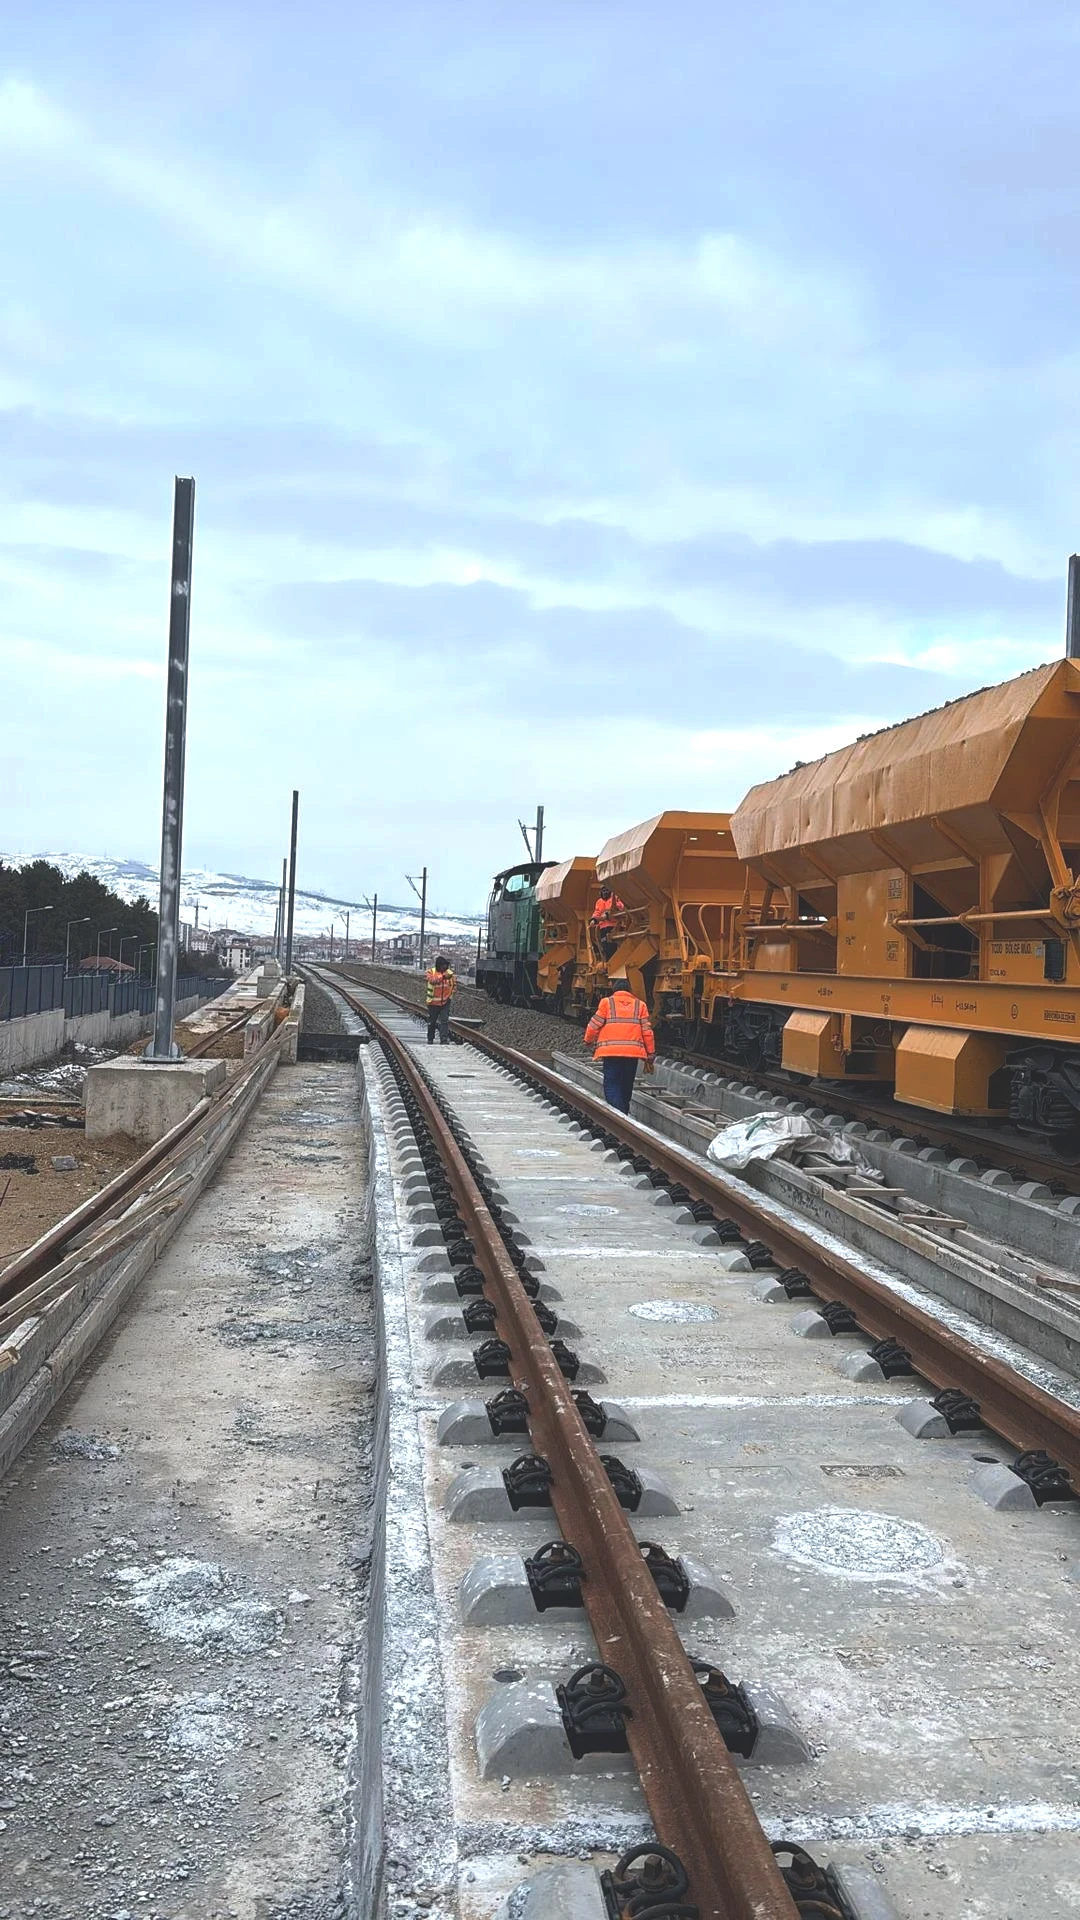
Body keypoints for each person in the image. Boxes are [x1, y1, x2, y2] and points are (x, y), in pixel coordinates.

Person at [584, 974, 655, 1112]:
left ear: (614, 990)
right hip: (632, 1053)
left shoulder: (607, 1003)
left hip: (611, 1052)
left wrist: (588, 1040)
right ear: (629, 991)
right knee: (626, 1084)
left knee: (612, 1083)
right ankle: (623, 1113)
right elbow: (647, 1031)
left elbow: (594, 1024)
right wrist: (651, 1052)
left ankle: (619, 1114)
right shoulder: (640, 1005)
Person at [425, 955, 456, 1043]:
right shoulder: (431, 972)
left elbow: (453, 985)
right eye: (443, 965)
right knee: (432, 1022)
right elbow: (432, 980)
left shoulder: (449, 973)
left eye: (446, 965)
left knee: (444, 1021)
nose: (445, 967)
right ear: (439, 965)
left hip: (445, 1002)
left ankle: (444, 1039)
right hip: (433, 1003)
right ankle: (430, 1039)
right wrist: (443, 977)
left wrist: (450, 996)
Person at [590, 886, 626, 960]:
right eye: (603, 891)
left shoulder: (614, 898)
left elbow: (621, 907)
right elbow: (597, 912)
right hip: (603, 928)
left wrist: (614, 906)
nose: (605, 893)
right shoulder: (599, 902)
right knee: (605, 946)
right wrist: (593, 919)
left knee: (612, 946)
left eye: (606, 890)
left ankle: (614, 962)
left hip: (614, 927)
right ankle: (609, 962)